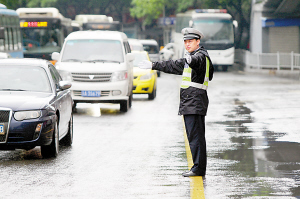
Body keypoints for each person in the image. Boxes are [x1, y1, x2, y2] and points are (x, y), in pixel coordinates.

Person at [138, 27, 214, 177]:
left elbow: (196, 62)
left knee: (195, 137)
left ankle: (198, 168)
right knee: (195, 136)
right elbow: (172, 65)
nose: (187, 44)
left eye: (190, 41)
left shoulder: (199, 56)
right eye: (185, 42)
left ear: (198, 41)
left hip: (194, 101)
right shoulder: (195, 56)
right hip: (193, 101)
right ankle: (198, 167)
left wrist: (190, 59)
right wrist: (153, 65)